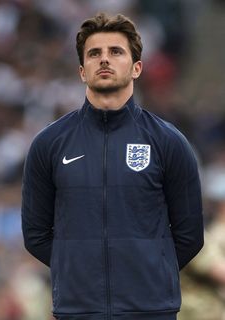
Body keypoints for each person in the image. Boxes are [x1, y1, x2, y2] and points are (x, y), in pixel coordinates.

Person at [21, 13, 204, 320]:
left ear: (137, 68)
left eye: (115, 52)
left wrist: (148, 272)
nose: (104, 60)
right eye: (94, 53)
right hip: (77, 310)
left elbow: (190, 235)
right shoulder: (49, 144)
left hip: (151, 311)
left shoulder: (169, 142)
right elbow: (35, 234)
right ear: (82, 71)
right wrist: (77, 269)